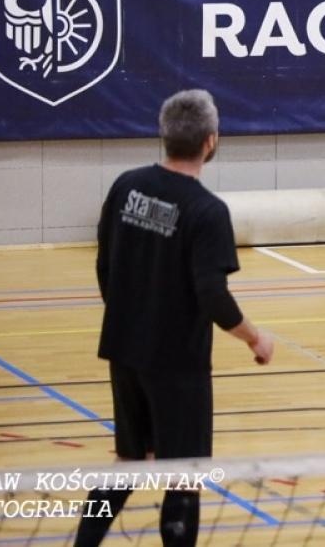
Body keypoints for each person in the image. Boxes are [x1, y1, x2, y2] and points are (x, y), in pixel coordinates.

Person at [74, 89, 274, 547]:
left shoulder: (126, 186)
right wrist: (254, 338)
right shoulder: (207, 211)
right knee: (185, 476)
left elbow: (105, 265)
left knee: (130, 460)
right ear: (210, 140)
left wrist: (130, 315)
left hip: (124, 349)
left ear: (165, 135)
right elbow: (213, 296)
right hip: (177, 366)